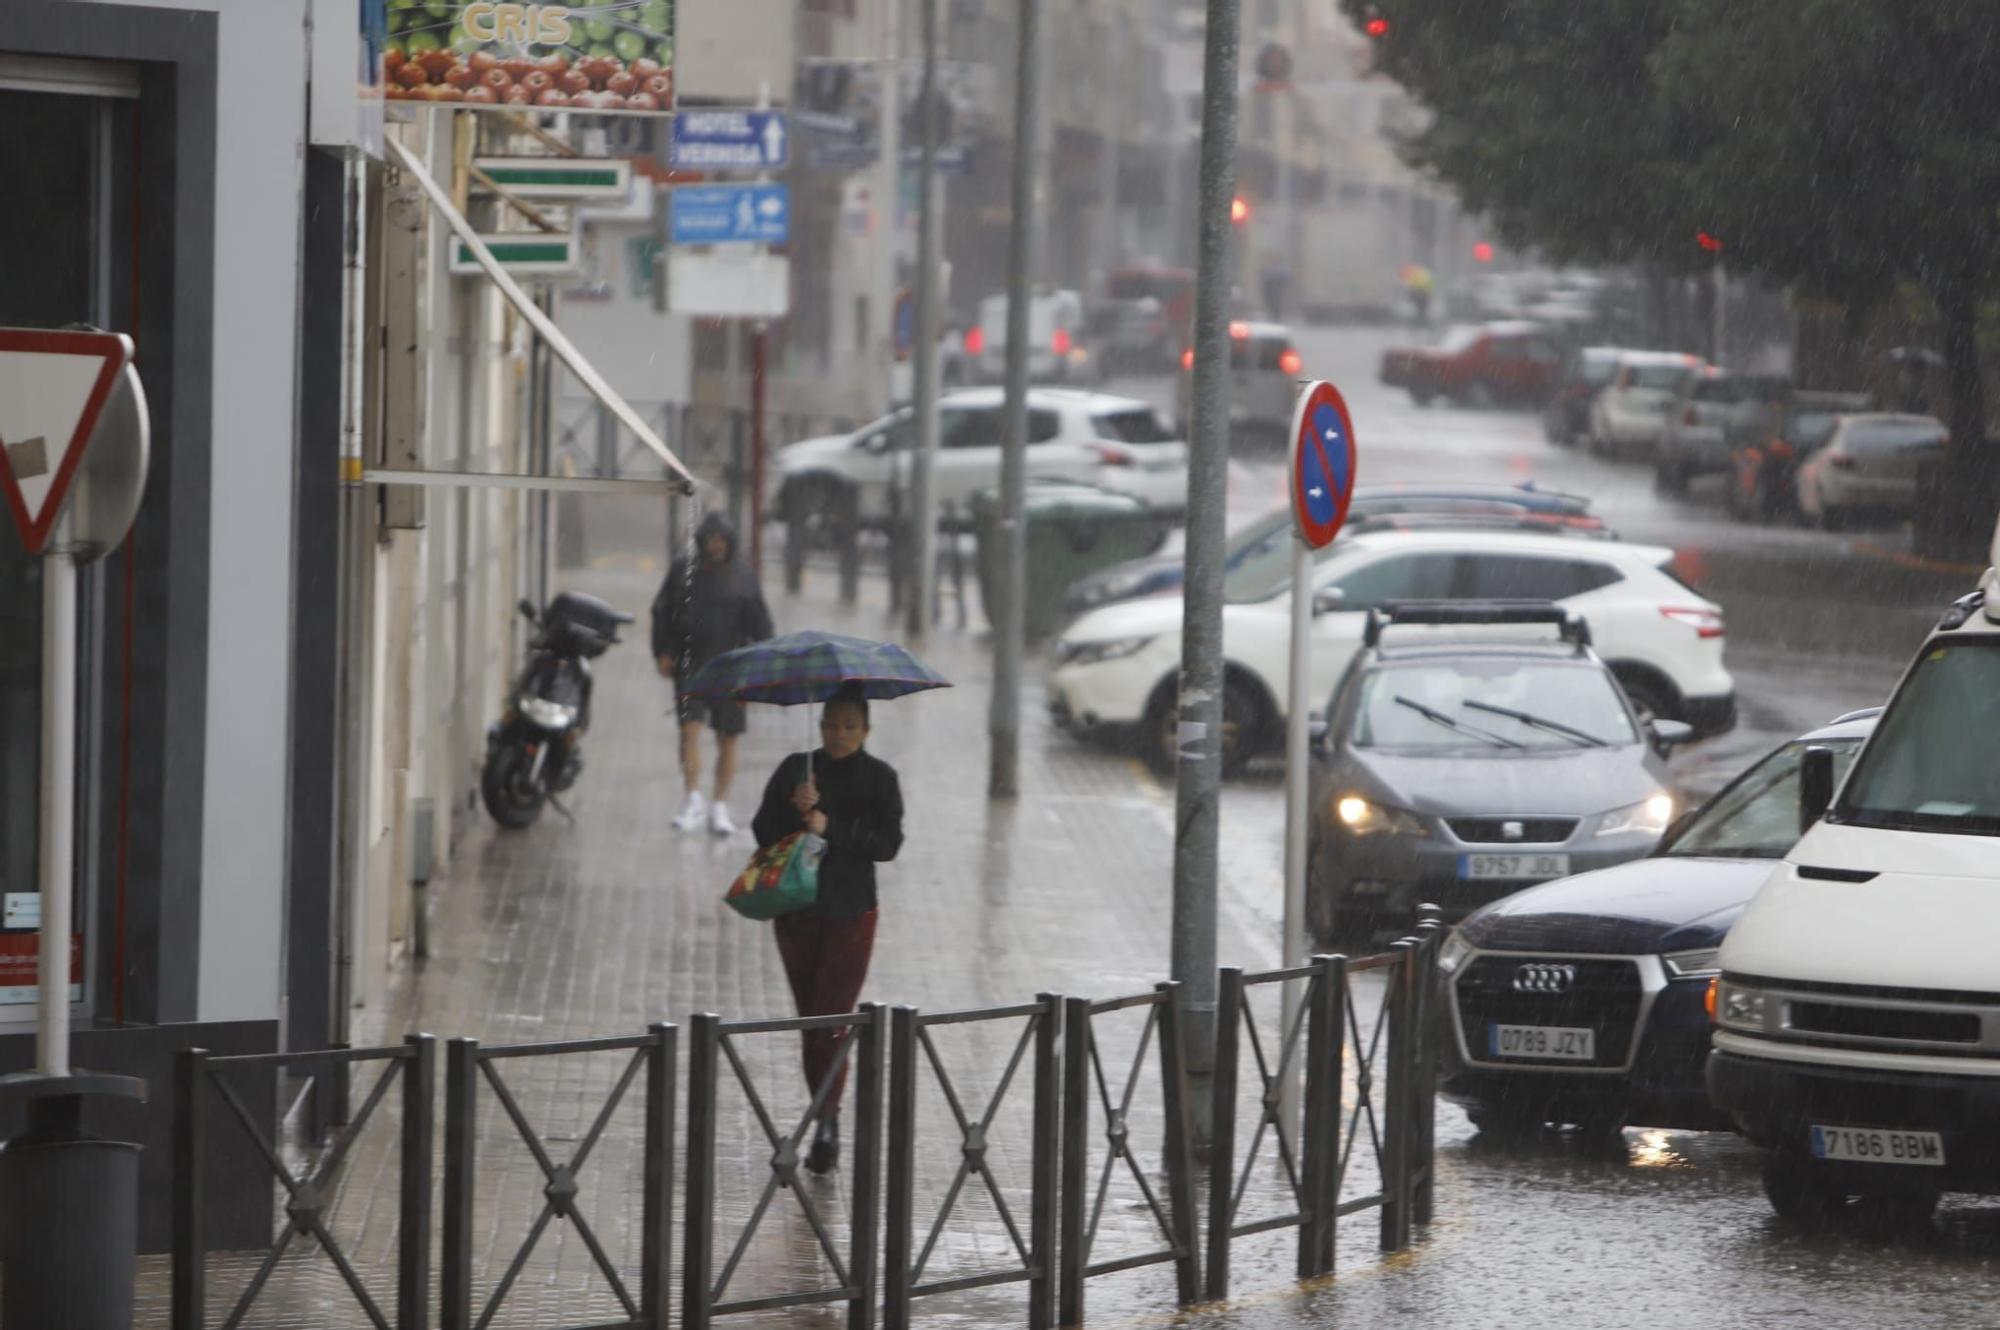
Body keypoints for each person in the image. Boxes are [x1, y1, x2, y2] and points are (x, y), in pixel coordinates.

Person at [750, 687, 904, 1174]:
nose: (838, 734)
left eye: (849, 726)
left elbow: (887, 844)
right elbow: (761, 831)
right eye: (831, 725)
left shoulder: (881, 779)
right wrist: (795, 811)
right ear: (820, 726)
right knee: (810, 1018)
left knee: (832, 1017)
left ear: (866, 730)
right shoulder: (797, 770)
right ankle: (825, 1111)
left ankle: (827, 1121)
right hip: (796, 910)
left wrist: (829, 826)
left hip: (850, 911)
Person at [652, 512, 774, 836]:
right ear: (702, 541)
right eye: (710, 540)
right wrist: (662, 651)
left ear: (729, 543)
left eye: (720, 540)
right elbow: (662, 610)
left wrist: (759, 670)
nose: (715, 545)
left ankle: (720, 804)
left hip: (733, 668)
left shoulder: (744, 577)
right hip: (690, 662)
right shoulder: (683, 571)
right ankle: (692, 797)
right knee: (689, 730)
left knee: (728, 737)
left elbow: (761, 624)